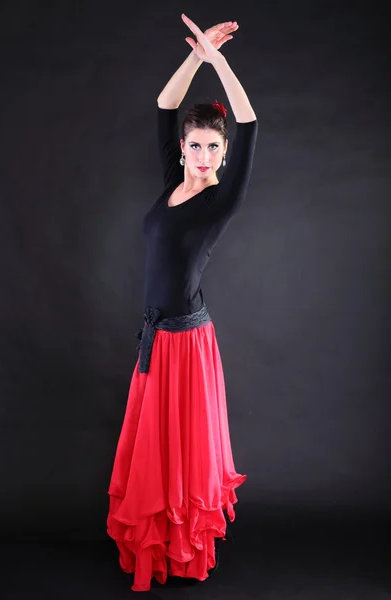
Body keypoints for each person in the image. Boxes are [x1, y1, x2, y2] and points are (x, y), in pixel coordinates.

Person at [107, 14, 258, 592]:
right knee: (154, 455)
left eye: (211, 147)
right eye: (194, 145)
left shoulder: (222, 199)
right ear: (184, 148)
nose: (201, 154)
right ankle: (161, 551)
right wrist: (195, 56)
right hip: (155, 339)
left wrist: (220, 63)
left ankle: (185, 553)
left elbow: (249, 120)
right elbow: (164, 107)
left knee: (184, 455)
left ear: (222, 153)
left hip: (187, 344)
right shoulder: (173, 176)